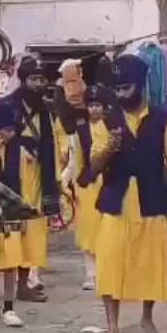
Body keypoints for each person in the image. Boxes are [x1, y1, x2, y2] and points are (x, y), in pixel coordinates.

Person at [88, 57, 167, 333]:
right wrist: (109, 150)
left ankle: (146, 317)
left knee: (151, 263)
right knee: (110, 264)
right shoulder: (106, 121)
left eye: (126, 88)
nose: (120, 95)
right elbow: (93, 165)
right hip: (117, 200)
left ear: (140, 86)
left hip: (152, 197)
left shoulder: (164, 118)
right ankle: (112, 329)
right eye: (116, 89)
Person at [0, 57, 59, 321]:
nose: (38, 84)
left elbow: (52, 145)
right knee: (2, 240)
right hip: (8, 178)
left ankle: (24, 284)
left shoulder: (45, 111)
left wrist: (53, 186)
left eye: (42, 79)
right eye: (33, 79)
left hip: (35, 176)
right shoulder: (4, 106)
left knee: (31, 231)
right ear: (23, 80)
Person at [69, 85, 111, 291]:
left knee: (106, 227)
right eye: (91, 105)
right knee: (88, 229)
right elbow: (76, 159)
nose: (94, 109)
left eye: (98, 105)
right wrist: (76, 186)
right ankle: (90, 273)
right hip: (88, 184)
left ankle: (105, 270)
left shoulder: (112, 127)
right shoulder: (81, 131)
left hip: (107, 182)